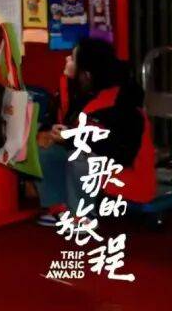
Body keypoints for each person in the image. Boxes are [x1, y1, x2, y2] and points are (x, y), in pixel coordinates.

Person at [35, 37, 157, 225]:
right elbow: (60, 120)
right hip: (94, 165)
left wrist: (72, 138)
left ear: (87, 74)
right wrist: (49, 132)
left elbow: (121, 153)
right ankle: (59, 208)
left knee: (79, 157)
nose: (67, 60)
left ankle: (83, 215)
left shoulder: (124, 102)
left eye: (73, 58)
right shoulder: (79, 91)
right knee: (46, 148)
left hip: (127, 175)